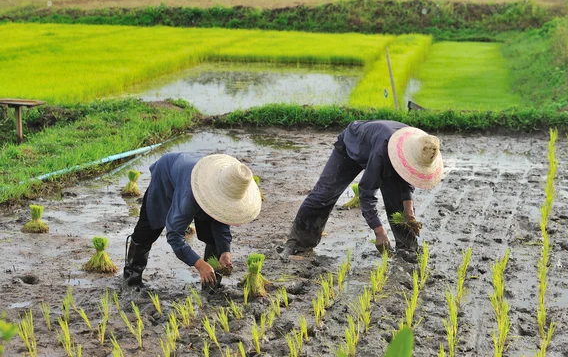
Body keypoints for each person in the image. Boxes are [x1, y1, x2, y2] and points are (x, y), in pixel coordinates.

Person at [278, 120, 443, 259]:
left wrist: (409, 212)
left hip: (379, 145)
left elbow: (407, 180)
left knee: (398, 198)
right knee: (325, 193)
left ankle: (408, 249)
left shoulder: (419, 145)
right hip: (352, 146)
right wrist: (379, 231)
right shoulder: (383, 152)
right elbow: (366, 193)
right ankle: (299, 242)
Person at [123, 152, 262, 287]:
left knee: (213, 236)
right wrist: (199, 264)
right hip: (166, 178)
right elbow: (174, 235)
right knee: (147, 230)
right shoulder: (189, 197)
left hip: (193, 180)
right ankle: (132, 278)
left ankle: (211, 283)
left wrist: (225, 251)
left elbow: (221, 221)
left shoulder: (226, 185)